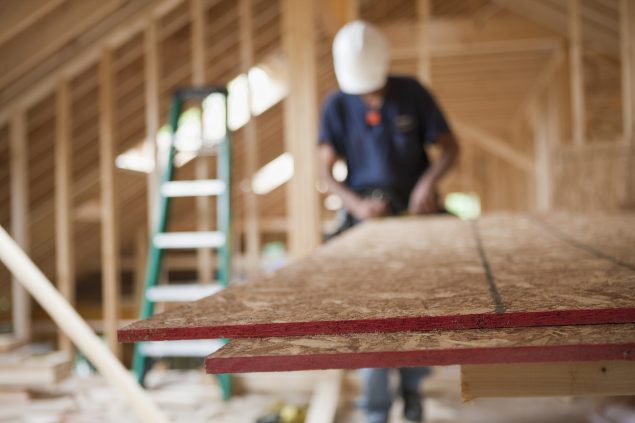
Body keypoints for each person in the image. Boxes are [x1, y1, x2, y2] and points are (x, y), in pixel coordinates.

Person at [318, 21, 460, 423]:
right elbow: (326, 171)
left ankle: (413, 394)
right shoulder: (336, 105)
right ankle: (376, 409)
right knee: (371, 317)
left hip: (416, 214)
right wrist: (357, 204)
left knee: (419, 311)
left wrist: (427, 184)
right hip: (366, 218)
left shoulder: (412, 93)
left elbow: (451, 148)